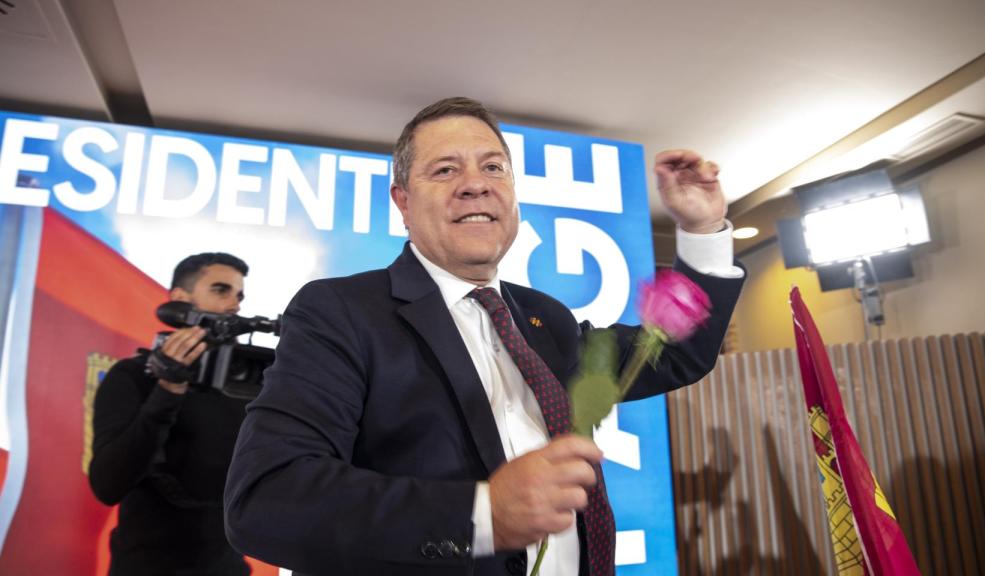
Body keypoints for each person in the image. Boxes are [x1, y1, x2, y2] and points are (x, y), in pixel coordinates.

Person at [224, 97, 745, 576]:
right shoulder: (340, 311)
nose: (476, 184)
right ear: (402, 202)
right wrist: (482, 515)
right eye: (446, 169)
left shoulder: (547, 318)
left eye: (493, 167)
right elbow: (267, 501)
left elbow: (674, 353)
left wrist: (702, 233)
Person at [89, 253, 253, 576]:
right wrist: (168, 389)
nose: (234, 305)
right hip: (145, 567)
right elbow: (108, 485)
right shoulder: (133, 376)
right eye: (221, 291)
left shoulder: (247, 383)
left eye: (239, 295)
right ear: (180, 300)